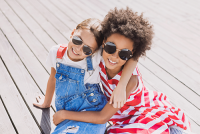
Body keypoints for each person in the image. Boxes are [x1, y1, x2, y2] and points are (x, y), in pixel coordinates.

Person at [52, 7, 192, 134]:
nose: (114, 56)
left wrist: (63, 114)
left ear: (133, 53)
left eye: (124, 54)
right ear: (103, 43)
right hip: (120, 119)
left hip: (142, 115)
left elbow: (102, 117)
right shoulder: (100, 56)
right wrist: (48, 100)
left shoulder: (129, 80)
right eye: (111, 47)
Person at [33, 18, 137, 134]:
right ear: (72, 33)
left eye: (87, 49)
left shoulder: (96, 58)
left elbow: (133, 57)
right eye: (77, 40)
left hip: (92, 111)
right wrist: (46, 103)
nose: (78, 49)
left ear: (95, 51)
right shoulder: (56, 53)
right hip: (66, 114)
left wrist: (121, 86)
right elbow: (53, 78)